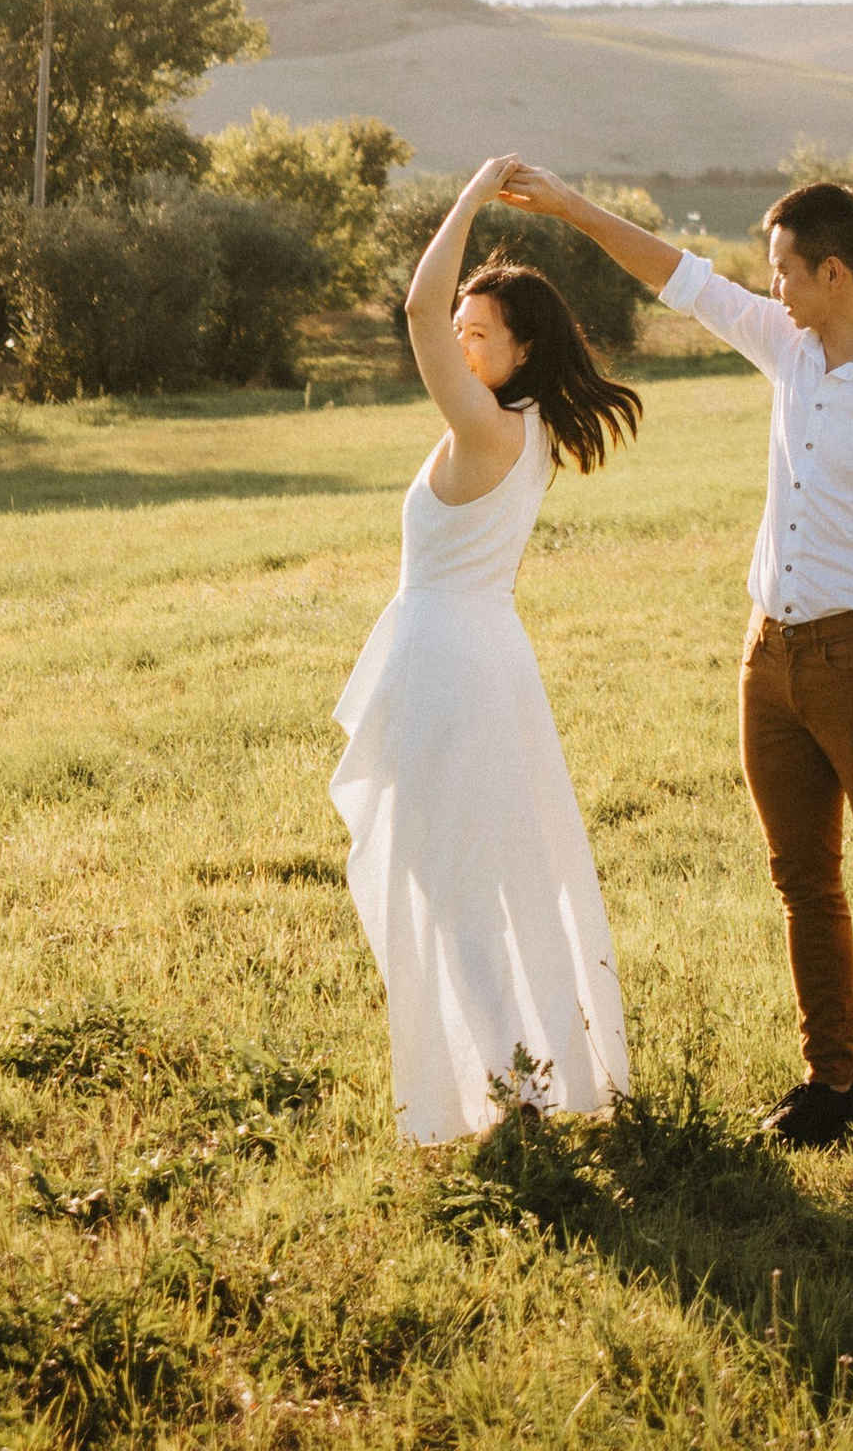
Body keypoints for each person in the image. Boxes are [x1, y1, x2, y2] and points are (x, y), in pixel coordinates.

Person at [499, 156, 853, 1163]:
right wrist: (570, 208)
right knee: (801, 879)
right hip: (769, 658)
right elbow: (678, 274)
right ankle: (835, 1084)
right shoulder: (787, 347)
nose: (771, 287)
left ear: (834, 273)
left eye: (784, 269)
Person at [329, 157, 640, 1147]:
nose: (458, 346)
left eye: (478, 336)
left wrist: (468, 195)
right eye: (461, 336)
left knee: (452, 886)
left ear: (519, 351)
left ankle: (516, 1098)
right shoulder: (524, 426)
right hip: (477, 651)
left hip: (452, 664)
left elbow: (417, 309)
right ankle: (523, 1084)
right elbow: (435, 315)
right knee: (479, 876)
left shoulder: (487, 428)